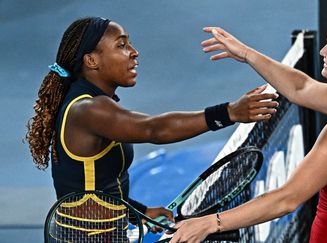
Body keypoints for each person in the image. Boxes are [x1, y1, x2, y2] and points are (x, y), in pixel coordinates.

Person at [168, 11, 327, 242]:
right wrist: (245, 53)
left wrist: (211, 223)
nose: (321, 52)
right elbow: (302, 88)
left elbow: (287, 199)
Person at [25, 17, 278, 232]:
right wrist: (229, 113)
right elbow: (153, 128)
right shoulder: (90, 110)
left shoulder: (90, 102)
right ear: (92, 61)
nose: (134, 52)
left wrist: (142, 212)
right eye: (122, 45)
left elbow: (96, 188)